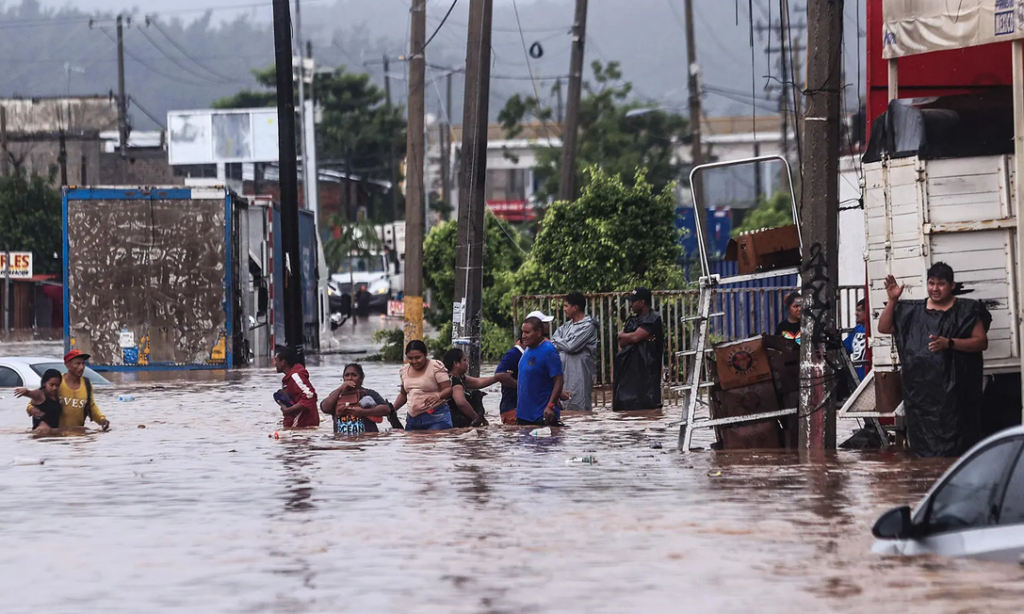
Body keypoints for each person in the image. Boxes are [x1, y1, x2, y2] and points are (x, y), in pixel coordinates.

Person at [877, 262, 991, 457]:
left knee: (959, 450)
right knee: (924, 457)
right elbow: (884, 328)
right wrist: (893, 300)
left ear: (952, 285)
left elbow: (981, 342)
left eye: (941, 284)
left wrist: (950, 343)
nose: (935, 289)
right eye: (931, 283)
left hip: (957, 398)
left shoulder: (967, 309)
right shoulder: (911, 312)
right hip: (922, 399)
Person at [18, 350, 109, 431]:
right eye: (77, 364)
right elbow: (36, 400)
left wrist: (101, 420)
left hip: (77, 435)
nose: (81, 367)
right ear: (67, 365)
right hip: (56, 436)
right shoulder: (56, 382)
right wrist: (30, 409)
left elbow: (91, 407)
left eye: (83, 363)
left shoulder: (87, 384)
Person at [613, 288, 664, 411]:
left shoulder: (653, 318)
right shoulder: (632, 320)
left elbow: (635, 337)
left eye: (633, 301)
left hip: (647, 374)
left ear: (642, 302)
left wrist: (629, 336)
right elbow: (621, 341)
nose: (631, 304)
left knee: (647, 409)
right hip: (628, 373)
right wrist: (628, 337)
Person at [443, 348, 516, 428]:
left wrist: (498, 377)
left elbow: (478, 382)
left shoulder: (460, 378)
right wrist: (476, 418)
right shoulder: (454, 381)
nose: (467, 363)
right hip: (457, 423)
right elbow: (461, 403)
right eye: (464, 360)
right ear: (456, 363)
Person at [551, 292, 599, 411]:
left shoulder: (589, 326)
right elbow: (552, 343)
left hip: (580, 372)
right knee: (563, 406)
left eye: (566, 306)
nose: (564, 309)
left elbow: (571, 346)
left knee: (580, 407)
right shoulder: (566, 326)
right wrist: (561, 342)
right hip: (564, 372)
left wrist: (560, 341)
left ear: (575, 308)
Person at [320, 363, 402, 434]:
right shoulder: (336, 395)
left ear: (361, 379)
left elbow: (386, 409)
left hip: (366, 441)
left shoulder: (368, 394)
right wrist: (340, 389)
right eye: (347, 375)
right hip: (342, 443)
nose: (350, 378)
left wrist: (364, 412)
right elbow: (324, 408)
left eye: (354, 375)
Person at [394, 340, 454, 431]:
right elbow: (403, 394)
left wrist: (438, 396)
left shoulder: (435, 366)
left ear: (425, 354)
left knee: (434, 443)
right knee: (412, 445)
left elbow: (448, 389)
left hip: (436, 417)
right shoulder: (404, 370)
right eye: (410, 358)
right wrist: (392, 409)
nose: (414, 361)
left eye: (418, 357)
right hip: (412, 420)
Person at [516, 316, 564, 426]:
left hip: (541, 416)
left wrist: (550, 405)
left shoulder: (549, 352)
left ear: (538, 332)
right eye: (522, 332)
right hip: (524, 415)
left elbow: (559, 380)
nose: (523, 336)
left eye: (527, 332)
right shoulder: (528, 349)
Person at [273, 347, 320, 428]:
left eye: (276, 360)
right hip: (298, 423)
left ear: (283, 362)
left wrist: (289, 410)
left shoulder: (295, 376)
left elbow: (310, 395)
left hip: (303, 424)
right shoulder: (289, 379)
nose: (274, 363)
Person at [15, 369, 64, 434]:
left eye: (57, 385)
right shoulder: (40, 394)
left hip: (51, 433)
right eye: (51, 385)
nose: (54, 388)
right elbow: (31, 393)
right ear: (44, 383)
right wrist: (26, 392)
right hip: (40, 433)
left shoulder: (56, 397)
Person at [495, 331, 526, 425]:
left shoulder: (527, 355)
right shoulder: (513, 355)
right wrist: (521, 387)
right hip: (512, 408)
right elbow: (500, 375)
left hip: (521, 408)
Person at [844, 299, 868, 380]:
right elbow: (844, 348)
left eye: (859, 310)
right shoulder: (857, 330)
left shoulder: (875, 330)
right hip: (857, 380)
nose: (856, 313)